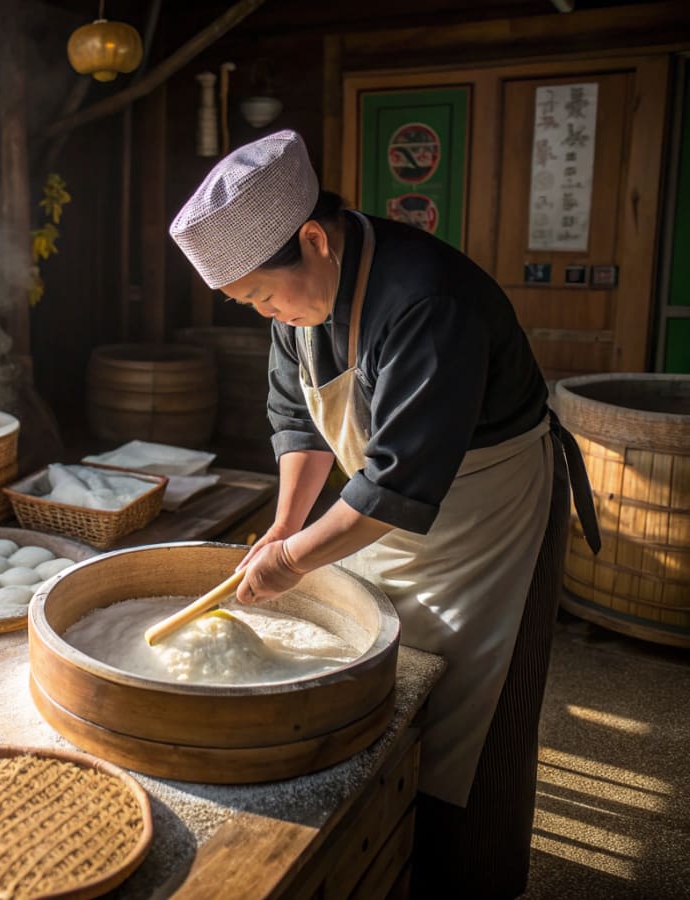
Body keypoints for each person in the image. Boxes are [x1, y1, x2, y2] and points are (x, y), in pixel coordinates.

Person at [168, 129, 600, 899]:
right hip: (387, 506)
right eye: (246, 303)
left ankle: (472, 881)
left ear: (311, 240)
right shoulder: (293, 300)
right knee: (386, 679)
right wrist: (283, 525)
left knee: (477, 716)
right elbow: (299, 421)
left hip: (488, 517)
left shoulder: (426, 299)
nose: (262, 311)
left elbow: (399, 478)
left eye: (261, 294)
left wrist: (297, 559)